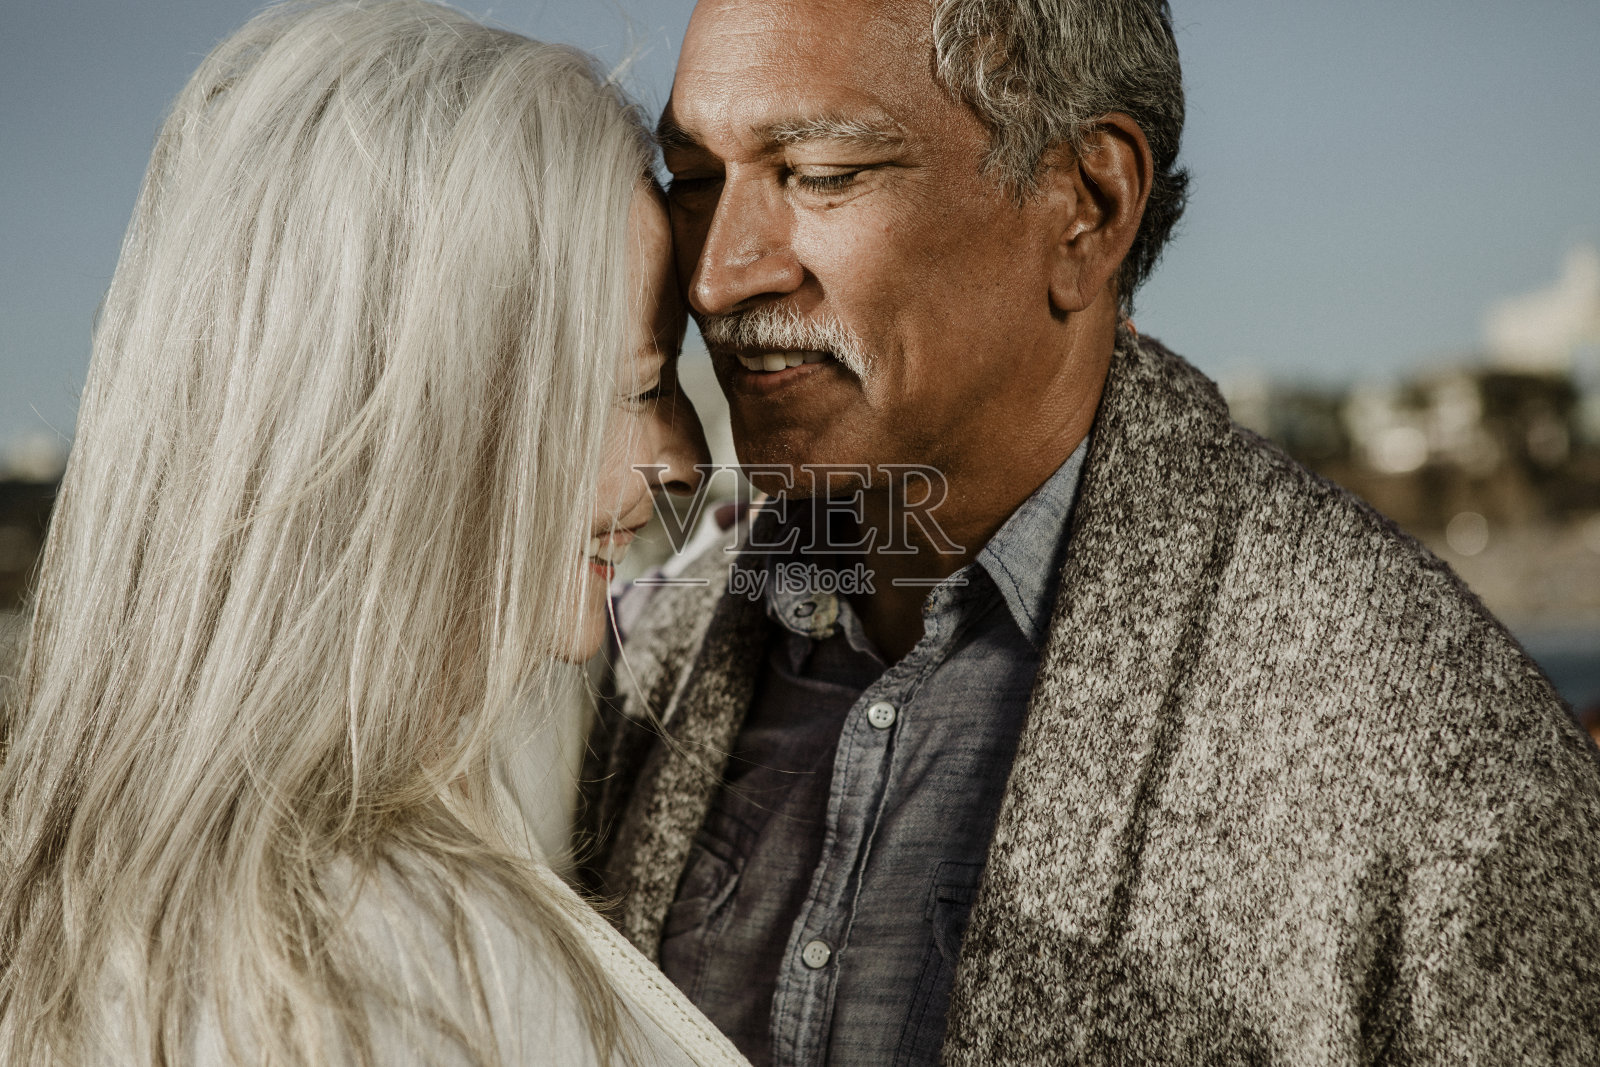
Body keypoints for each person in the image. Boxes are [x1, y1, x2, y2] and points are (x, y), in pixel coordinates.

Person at [582, 0, 1600, 1063]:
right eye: (692, 181)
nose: (718, 274)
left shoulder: (1436, 755)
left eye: (821, 173)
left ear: (1088, 206)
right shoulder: (653, 655)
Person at [0, 3, 750, 1064]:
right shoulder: (387, 973)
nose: (682, 457)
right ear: (422, 420)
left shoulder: (122, 914)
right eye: (637, 386)